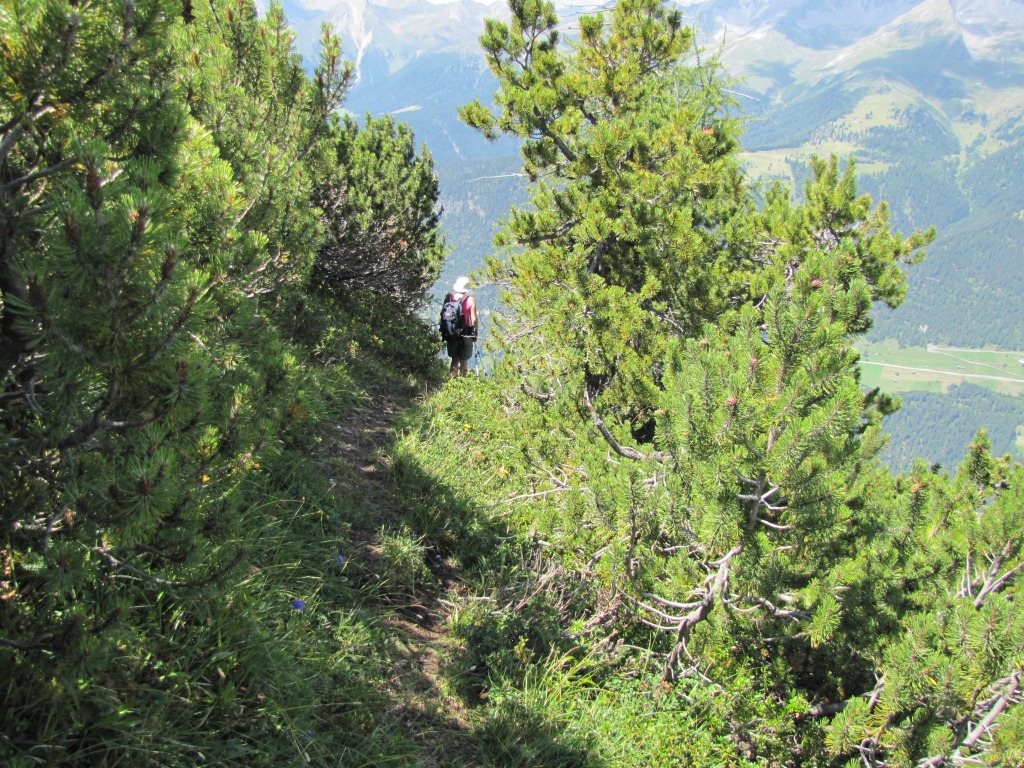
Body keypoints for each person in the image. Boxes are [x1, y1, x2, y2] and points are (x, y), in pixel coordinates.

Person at [442, 276, 478, 379]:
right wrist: (475, 332)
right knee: (464, 361)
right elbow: (474, 319)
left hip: (451, 333)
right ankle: (463, 384)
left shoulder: (449, 299)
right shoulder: (470, 300)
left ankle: (452, 382)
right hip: (466, 333)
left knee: (454, 360)